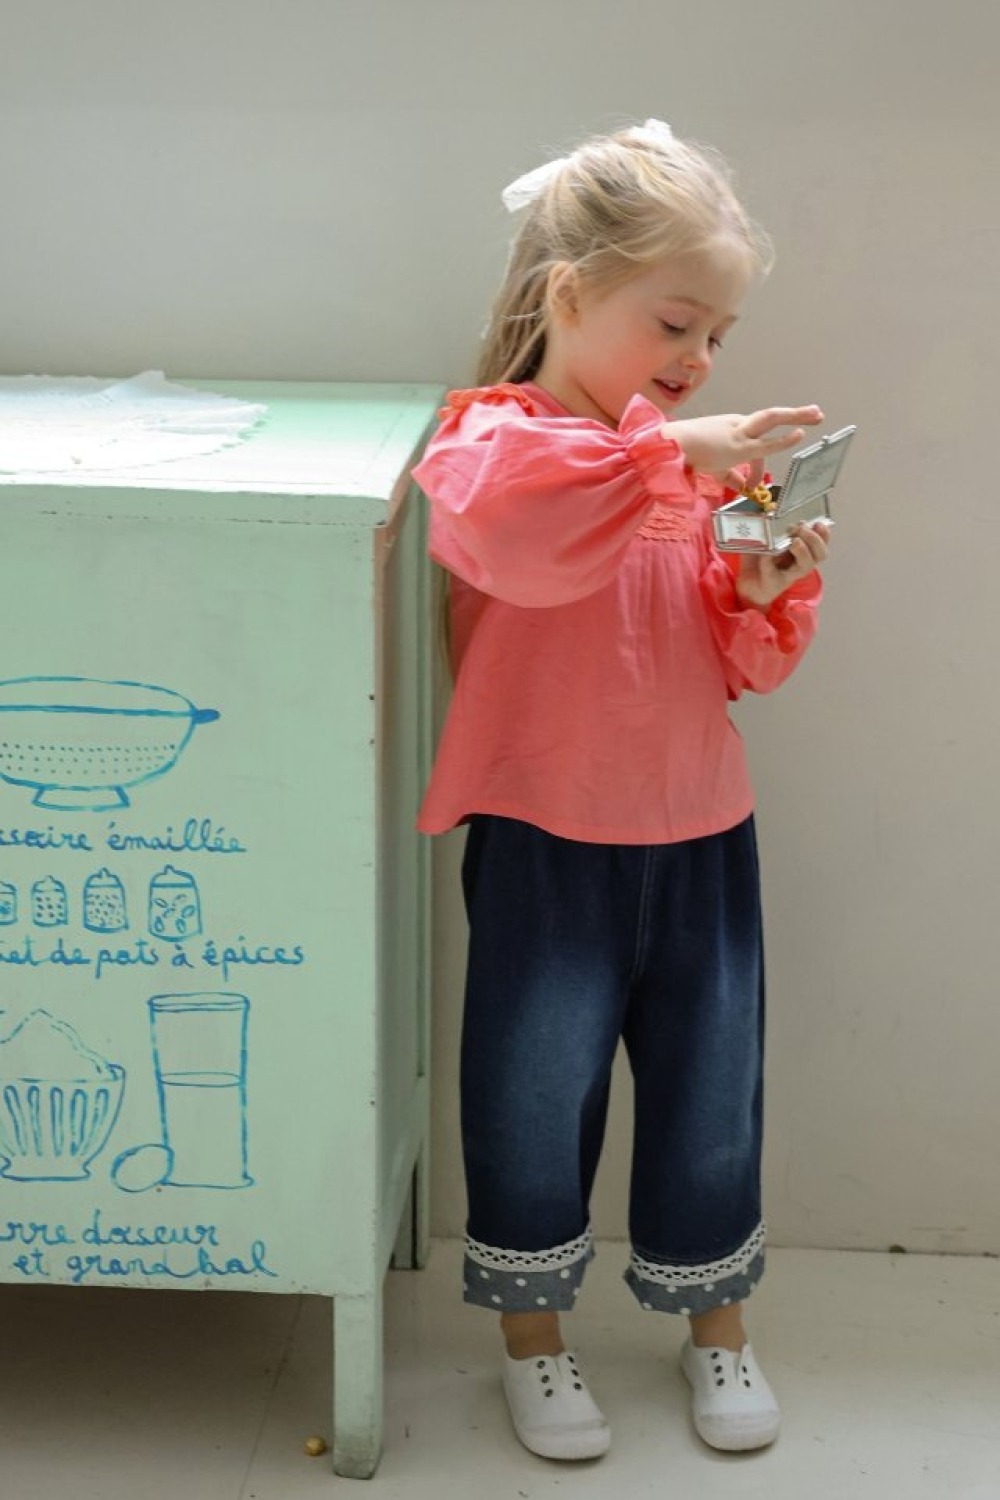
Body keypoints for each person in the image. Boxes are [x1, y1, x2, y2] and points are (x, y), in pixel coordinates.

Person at [412, 118, 831, 1462]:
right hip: (546, 836)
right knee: (534, 1093)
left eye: (717, 334)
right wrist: (679, 453)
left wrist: (759, 583)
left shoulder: (704, 462)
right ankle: (534, 1341)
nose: (698, 359)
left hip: (702, 828)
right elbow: (520, 531)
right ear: (569, 294)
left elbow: (745, 658)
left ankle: (719, 1324)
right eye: (675, 323)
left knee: (712, 1095)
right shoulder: (495, 444)